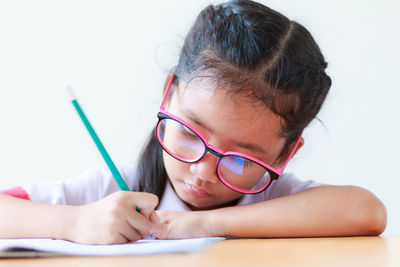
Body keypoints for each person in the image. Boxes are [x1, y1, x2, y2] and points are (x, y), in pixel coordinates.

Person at [0, 0, 386, 244]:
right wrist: (73, 223)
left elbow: (366, 210)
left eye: (239, 160)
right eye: (189, 132)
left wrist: (201, 225)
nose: (201, 172)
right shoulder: (114, 191)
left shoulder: (272, 202)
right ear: (170, 93)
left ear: (286, 153)